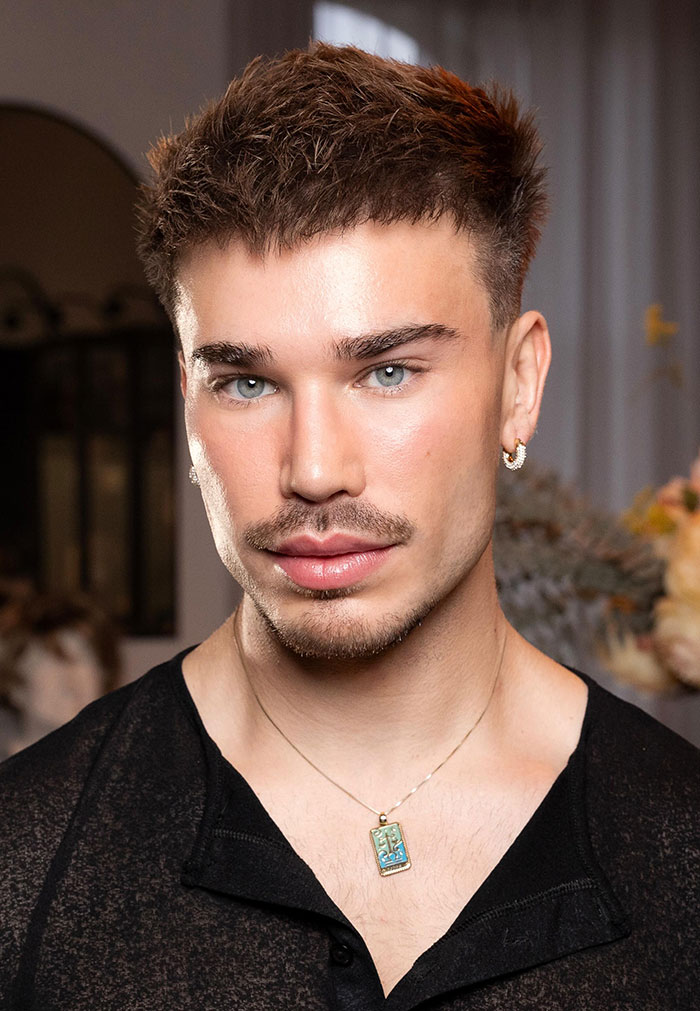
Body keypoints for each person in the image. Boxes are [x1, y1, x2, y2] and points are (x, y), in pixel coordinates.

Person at [0, 43, 697, 1010]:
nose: (314, 470)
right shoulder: (24, 860)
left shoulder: (681, 846)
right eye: (245, 382)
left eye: (387, 371)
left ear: (519, 385)